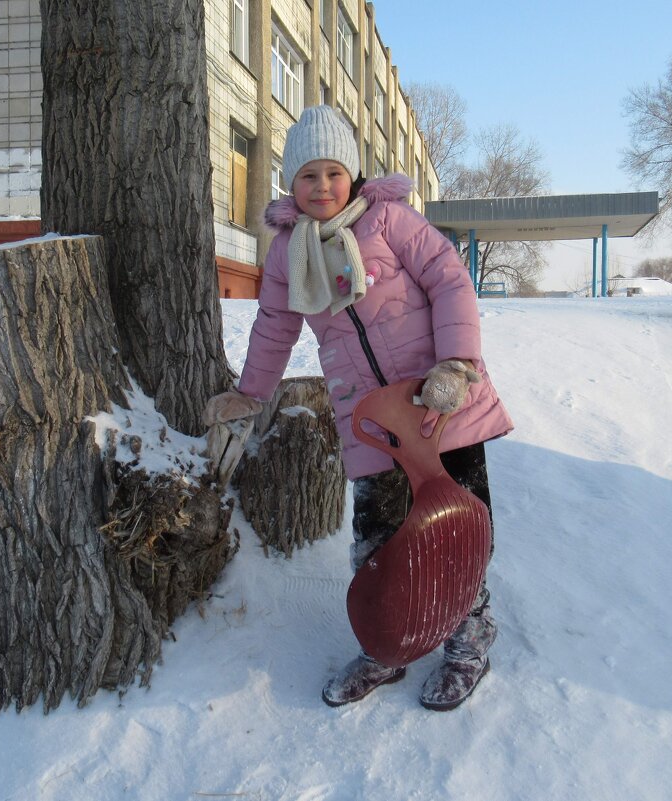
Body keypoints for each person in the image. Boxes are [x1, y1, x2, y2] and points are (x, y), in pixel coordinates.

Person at [203, 105, 514, 711]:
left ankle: (469, 630)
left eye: (333, 173)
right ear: (290, 185)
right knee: (376, 534)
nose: (322, 187)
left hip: (437, 404)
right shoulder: (286, 252)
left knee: (458, 523)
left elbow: (451, 281)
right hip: (368, 419)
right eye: (307, 176)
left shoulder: (392, 222)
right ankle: (388, 641)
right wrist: (251, 391)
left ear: (354, 175)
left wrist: (457, 365)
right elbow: (273, 325)